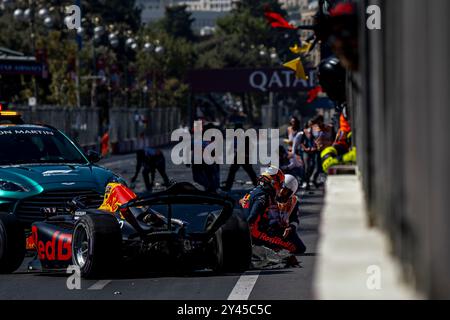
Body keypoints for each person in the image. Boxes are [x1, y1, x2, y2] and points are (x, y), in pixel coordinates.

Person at [240, 168, 306, 254]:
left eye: (285, 191)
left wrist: (291, 227)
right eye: (281, 187)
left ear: (290, 193)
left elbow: (295, 219)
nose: (281, 191)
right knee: (279, 244)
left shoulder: (293, 201)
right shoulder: (267, 195)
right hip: (266, 228)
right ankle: (266, 245)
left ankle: (270, 245)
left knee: (300, 248)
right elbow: (251, 208)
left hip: (282, 229)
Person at [223, 124, 258, 191]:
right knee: (233, 171)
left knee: (249, 172)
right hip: (239, 156)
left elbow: (251, 146)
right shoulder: (238, 136)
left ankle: (228, 187)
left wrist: (247, 154)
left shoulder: (245, 137)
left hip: (244, 157)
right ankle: (228, 187)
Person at [300, 121, 317, 189]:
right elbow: (301, 142)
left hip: (313, 151)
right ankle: (307, 183)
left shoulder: (315, 131)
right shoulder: (304, 131)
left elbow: (317, 140)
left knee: (313, 165)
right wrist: (305, 148)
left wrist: (315, 148)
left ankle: (308, 178)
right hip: (306, 151)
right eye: (310, 124)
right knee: (307, 167)